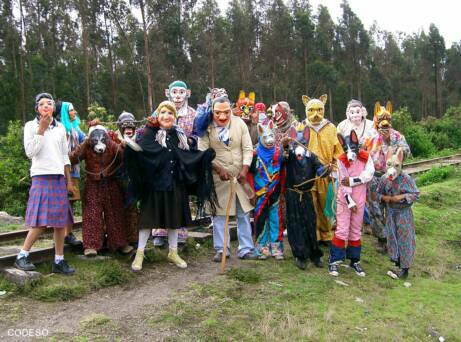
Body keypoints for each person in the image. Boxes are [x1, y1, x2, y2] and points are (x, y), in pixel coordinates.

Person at [125, 101, 216, 271]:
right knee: (147, 221)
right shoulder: (148, 133)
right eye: (163, 113)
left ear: (174, 117)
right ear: (157, 115)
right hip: (154, 185)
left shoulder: (178, 135)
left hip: (175, 184)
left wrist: (203, 156)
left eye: (170, 113)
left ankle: (173, 253)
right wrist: (131, 150)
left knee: (174, 220)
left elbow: (185, 156)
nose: (166, 116)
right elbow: (142, 155)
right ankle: (140, 253)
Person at [14, 93, 76, 275]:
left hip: (58, 178)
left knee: (60, 222)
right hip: (41, 177)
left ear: (54, 108)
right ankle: (22, 256)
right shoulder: (30, 126)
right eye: (42, 104)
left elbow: (65, 156)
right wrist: (41, 129)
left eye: (49, 103)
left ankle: (59, 260)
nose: (46, 106)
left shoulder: (60, 128)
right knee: (40, 222)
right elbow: (30, 152)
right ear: (37, 109)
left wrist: (69, 181)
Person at [197, 94, 259, 261]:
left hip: (239, 176)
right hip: (218, 177)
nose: (222, 116)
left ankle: (246, 248)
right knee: (219, 214)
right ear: (212, 111)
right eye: (218, 113)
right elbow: (202, 151)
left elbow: (247, 148)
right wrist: (217, 168)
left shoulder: (239, 124)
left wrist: (245, 169)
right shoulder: (206, 127)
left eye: (226, 112)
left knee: (243, 212)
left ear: (231, 110)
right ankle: (221, 249)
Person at [153, 81, 198, 247]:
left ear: (188, 93)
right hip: (162, 161)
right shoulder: (159, 111)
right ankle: (159, 232)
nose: (178, 96)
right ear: (168, 93)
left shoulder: (193, 114)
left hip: (181, 161)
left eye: (181, 92)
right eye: (174, 92)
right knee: (160, 195)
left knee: (180, 196)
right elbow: (150, 130)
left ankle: (179, 232)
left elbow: (197, 135)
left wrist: (189, 141)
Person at [364, 101, 410, 252]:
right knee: (375, 208)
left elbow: (407, 152)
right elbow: (361, 152)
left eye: (387, 120)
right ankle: (382, 239)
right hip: (374, 177)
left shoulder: (397, 136)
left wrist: (391, 141)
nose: (384, 123)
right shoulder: (369, 136)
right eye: (381, 119)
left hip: (392, 178)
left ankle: (394, 237)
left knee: (393, 207)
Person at [282, 126, 330, 270]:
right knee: (295, 224)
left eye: (302, 142)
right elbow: (282, 160)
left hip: (307, 194)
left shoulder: (311, 156)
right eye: (296, 142)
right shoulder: (289, 154)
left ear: (307, 141)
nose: (299, 146)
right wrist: (285, 146)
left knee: (310, 221)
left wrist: (326, 170)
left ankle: (314, 254)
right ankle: (300, 255)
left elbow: (320, 170)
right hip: (292, 194)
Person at [328, 130, 374, 277]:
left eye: (352, 148)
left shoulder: (366, 158)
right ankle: (334, 261)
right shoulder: (341, 160)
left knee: (355, 230)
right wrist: (349, 201)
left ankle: (354, 260)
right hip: (345, 199)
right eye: (346, 149)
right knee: (342, 229)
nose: (350, 153)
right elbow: (343, 182)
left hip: (360, 199)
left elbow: (368, 175)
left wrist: (354, 180)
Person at [301, 94, 343, 244]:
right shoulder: (301, 127)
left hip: (326, 173)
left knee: (326, 205)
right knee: (310, 205)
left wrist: (336, 167)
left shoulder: (331, 128)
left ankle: (326, 233)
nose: (315, 114)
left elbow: (338, 150)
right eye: (311, 110)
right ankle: (313, 233)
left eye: (319, 110)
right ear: (305, 108)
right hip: (308, 175)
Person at [377, 147, 419, 279]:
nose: (392, 168)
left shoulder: (406, 179)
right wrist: (386, 198)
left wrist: (400, 197)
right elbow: (377, 194)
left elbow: (416, 195)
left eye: (395, 165)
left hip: (403, 214)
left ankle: (405, 269)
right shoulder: (384, 178)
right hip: (390, 213)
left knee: (404, 238)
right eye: (389, 164)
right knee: (392, 237)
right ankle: (397, 263)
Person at [250, 120, 284, 260]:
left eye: (271, 136)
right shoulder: (254, 153)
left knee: (276, 218)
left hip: (275, 191)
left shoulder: (278, 152)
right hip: (261, 193)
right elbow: (252, 173)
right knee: (261, 218)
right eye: (265, 137)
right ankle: (262, 247)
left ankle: (276, 246)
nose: (269, 140)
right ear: (260, 137)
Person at [59, 101, 85, 246]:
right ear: (65, 113)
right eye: (71, 110)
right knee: (65, 203)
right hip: (64, 171)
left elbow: (85, 139)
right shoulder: (62, 129)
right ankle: (66, 234)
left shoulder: (75, 128)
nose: (74, 112)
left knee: (71, 202)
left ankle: (67, 233)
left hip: (74, 171)